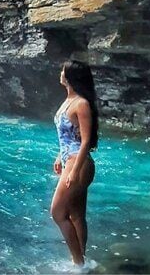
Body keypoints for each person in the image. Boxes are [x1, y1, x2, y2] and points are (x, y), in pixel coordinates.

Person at [50, 60, 99, 268]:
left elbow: (86, 141)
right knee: (76, 215)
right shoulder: (68, 101)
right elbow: (69, 137)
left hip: (78, 164)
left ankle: (78, 263)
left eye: (63, 70)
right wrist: (59, 156)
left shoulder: (81, 103)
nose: (60, 73)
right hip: (70, 160)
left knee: (57, 213)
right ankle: (81, 262)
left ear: (70, 76)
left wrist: (74, 170)